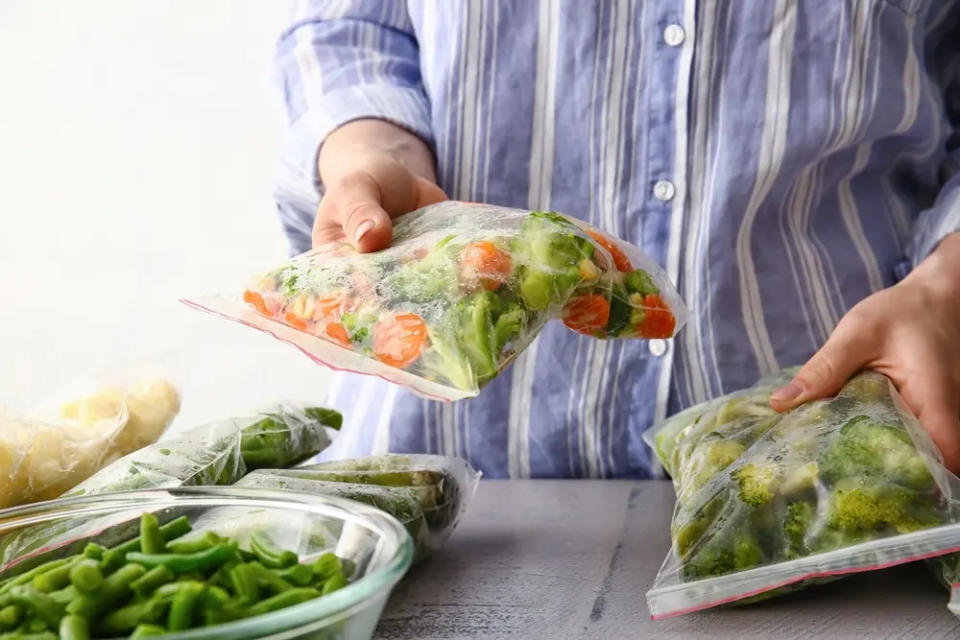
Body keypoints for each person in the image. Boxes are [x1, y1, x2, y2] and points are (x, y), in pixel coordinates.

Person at [270, 1, 960, 477]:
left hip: (837, 461)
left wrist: (944, 286)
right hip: (441, 479)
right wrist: (370, 152)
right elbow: (350, 27)